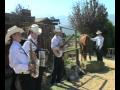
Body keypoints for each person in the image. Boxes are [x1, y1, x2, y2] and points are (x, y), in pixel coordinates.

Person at [5, 26, 37, 90]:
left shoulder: (18, 46)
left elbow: (22, 59)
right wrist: (28, 67)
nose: (20, 35)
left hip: (26, 74)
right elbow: (13, 65)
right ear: (13, 36)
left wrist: (31, 59)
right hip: (22, 76)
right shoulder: (14, 48)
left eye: (20, 34)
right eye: (18, 34)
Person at [22, 24, 43, 90]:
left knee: (38, 84)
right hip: (32, 68)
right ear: (31, 33)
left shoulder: (35, 41)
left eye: (37, 33)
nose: (37, 35)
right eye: (35, 33)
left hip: (38, 67)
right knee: (33, 85)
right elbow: (23, 56)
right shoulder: (27, 43)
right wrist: (31, 57)